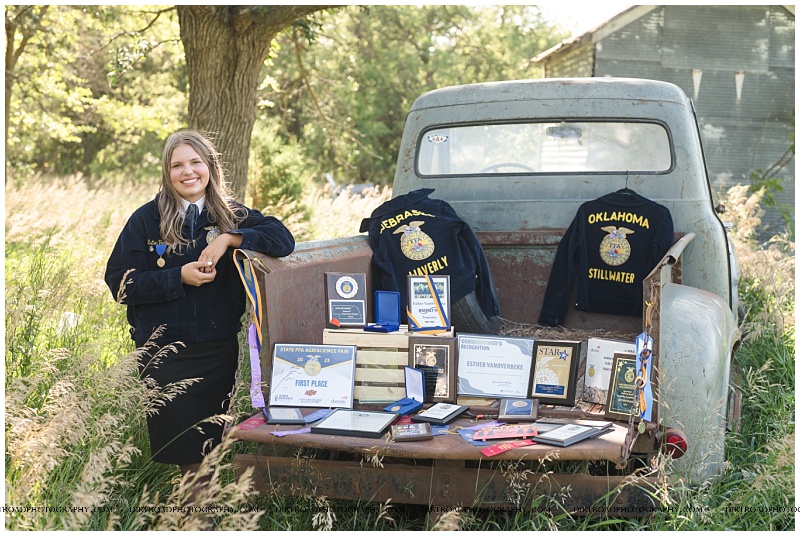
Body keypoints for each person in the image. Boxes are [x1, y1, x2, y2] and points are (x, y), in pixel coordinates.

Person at [105, 130, 294, 498]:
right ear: (166, 171)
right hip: (164, 353)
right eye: (177, 165)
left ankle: (199, 514)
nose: (187, 172)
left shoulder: (232, 214)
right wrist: (179, 277)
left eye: (195, 162)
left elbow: (282, 240)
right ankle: (198, 517)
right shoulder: (146, 220)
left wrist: (229, 238)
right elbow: (121, 283)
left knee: (209, 447)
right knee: (186, 453)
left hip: (216, 350)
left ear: (210, 167)